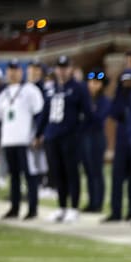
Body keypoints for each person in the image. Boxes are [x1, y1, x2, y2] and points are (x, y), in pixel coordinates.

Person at [37, 55, 92, 223]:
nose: (61, 71)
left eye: (65, 67)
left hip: (69, 137)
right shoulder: (51, 88)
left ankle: (73, 208)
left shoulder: (79, 88)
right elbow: (45, 113)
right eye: (59, 67)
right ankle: (61, 207)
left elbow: (88, 113)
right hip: (52, 136)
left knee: (71, 172)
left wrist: (77, 132)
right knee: (57, 173)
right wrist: (38, 133)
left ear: (71, 68)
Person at [0, 58, 44, 220]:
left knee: (30, 175)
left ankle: (32, 208)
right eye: (10, 70)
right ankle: (14, 208)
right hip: (8, 140)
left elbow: (39, 114)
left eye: (15, 70)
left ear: (21, 72)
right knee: (14, 176)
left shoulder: (30, 90)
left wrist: (37, 135)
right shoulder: (3, 94)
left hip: (25, 140)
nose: (13, 73)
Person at [103, 70, 131, 222]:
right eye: (124, 81)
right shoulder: (119, 97)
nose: (127, 84)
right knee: (117, 178)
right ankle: (116, 211)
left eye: (129, 81)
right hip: (122, 142)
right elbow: (112, 117)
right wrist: (110, 147)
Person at [81, 70, 111, 213]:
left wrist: (87, 114)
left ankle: (98, 202)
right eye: (91, 82)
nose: (92, 85)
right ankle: (91, 201)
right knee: (88, 171)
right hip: (85, 137)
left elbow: (98, 119)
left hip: (96, 137)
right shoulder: (85, 100)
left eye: (96, 83)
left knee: (96, 171)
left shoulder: (104, 101)